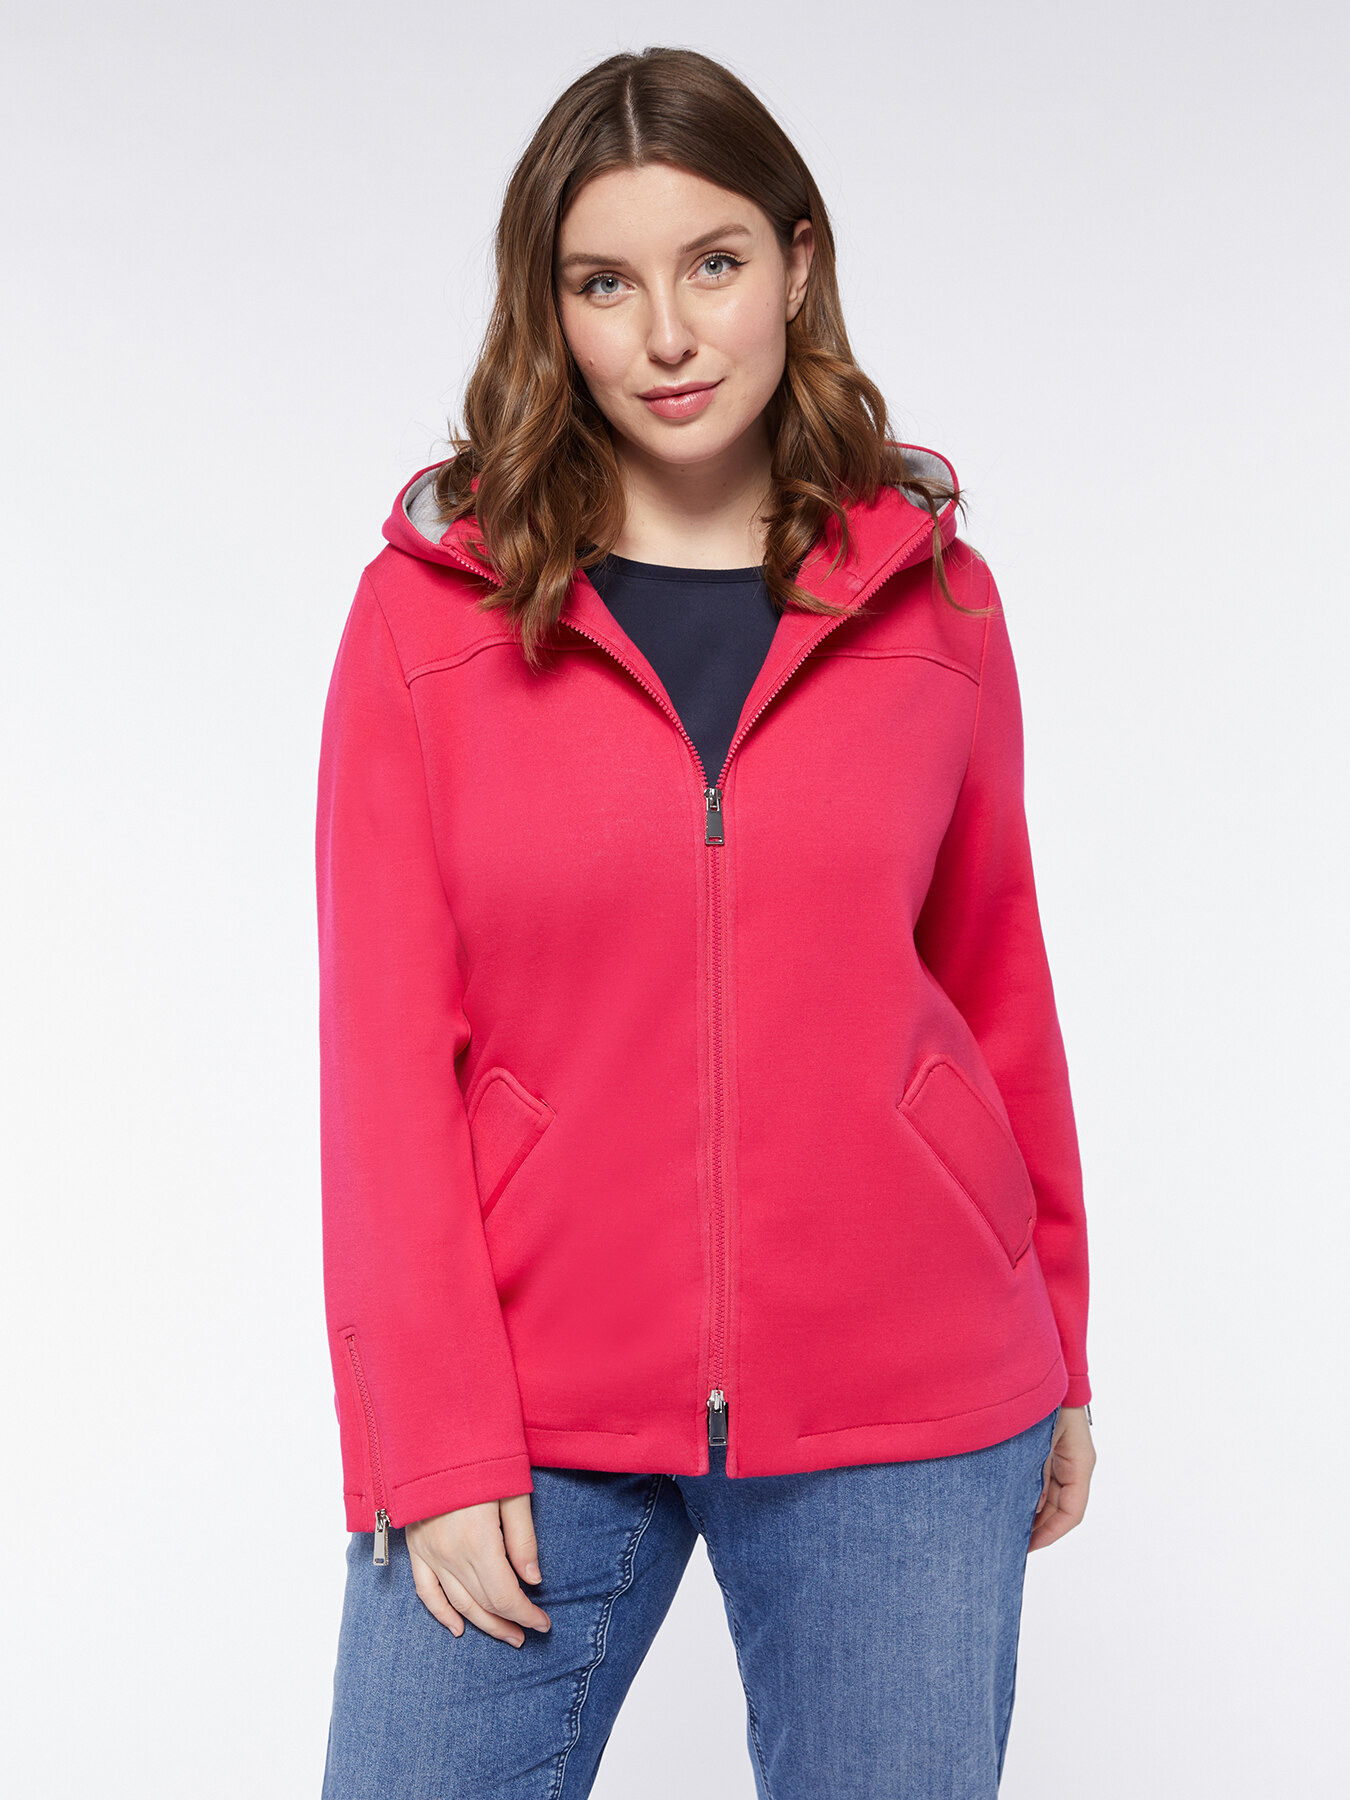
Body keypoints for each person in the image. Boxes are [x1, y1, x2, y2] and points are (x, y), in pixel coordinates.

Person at [316, 45, 1095, 1800]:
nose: (667, 334)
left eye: (714, 263)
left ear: (796, 265)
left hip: (908, 1388)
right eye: (604, 283)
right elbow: (380, 1057)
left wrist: (1057, 1343)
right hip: (531, 1394)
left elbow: (996, 985)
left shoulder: (936, 602)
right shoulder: (427, 618)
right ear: (549, 311)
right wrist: (429, 1437)